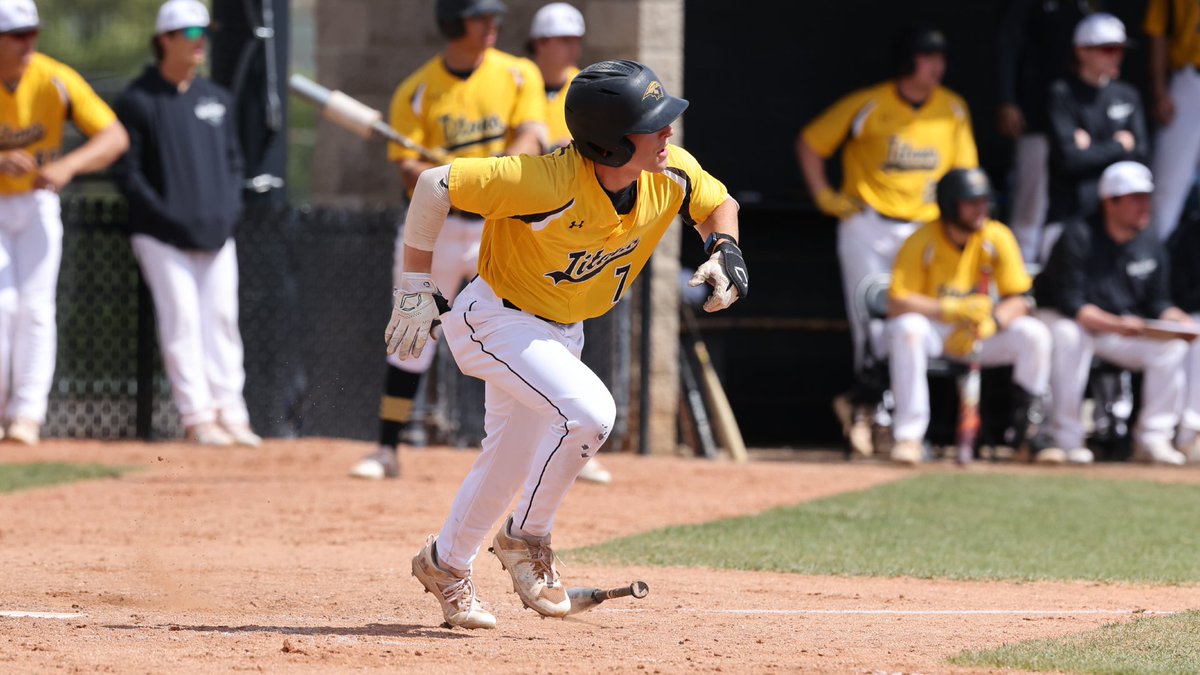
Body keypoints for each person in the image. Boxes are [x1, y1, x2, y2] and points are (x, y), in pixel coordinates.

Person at [390, 60, 747, 628]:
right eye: (653, 124)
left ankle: (446, 564)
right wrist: (413, 286)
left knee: (508, 463)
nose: (668, 133)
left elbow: (715, 203)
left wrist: (724, 247)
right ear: (609, 144)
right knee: (590, 415)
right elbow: (435, 185)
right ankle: (525, 539)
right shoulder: (545, 182)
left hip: (561, 332)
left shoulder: (667, 171)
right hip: (497, 320)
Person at [348, 0, 547, 480]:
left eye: (493, 18)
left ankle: (541, 446)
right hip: (433, 228)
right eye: (480, 18)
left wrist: (491, 181)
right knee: (412, 333)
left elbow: (532, 138)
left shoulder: (519, 74)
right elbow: (409, 172)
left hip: (498, 227)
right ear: (453, 23)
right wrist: (453, 181)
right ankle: (387, 449)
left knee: (518, 331)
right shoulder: (418, 89)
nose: (491, 27)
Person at [796, 25, 978, 456]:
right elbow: (810, 142)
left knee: (914, 325)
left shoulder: (952, 109)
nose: (938, 66)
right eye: (929, 57)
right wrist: (823, 194)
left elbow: (964, 176)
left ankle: (894, 421)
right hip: (869, 225)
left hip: (926, 229)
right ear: (908, 61)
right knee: (871, 325)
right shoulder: (870, 103)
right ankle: (874, 415)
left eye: (940, 58)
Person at [111, 0, 260, 447]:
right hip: (161, 236)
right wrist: (167, 218)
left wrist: (228, 211)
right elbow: (128, 173)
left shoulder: (217, 98)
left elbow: (235, 165)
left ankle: (231, 412)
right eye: (190, 34)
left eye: (204, 34)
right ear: (165, 40)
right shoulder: (138, 99)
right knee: (182, 322)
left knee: (221, 320)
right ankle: (197, 417)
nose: (200, 42)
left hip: (216, 234)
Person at [0, 0, 128, 445]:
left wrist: (69, 167)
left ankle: (27, 416)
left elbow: (114, 137)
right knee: (2, 306)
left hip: (37, 203)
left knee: (36, 309)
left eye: (33, 32)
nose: (28, 43)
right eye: (17, 35)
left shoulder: (54, 77)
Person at [886, 169, 1053, 465]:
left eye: (984, 201)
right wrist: (948, 310)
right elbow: (897, 301)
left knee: (1034, 334)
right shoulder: (922, 239)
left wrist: (994, 323)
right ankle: (909, 436)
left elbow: (1022, 298)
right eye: (971, 202)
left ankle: (1028, 434)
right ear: (950, 204)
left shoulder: (996, 236)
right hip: (937, 330)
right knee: (906, 328)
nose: (980, 209)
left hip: (981, 333)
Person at [1034, 161, 1191, 465]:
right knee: (1071, 335)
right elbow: (1071, 303)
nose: (1145, 206)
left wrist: (1176, 319)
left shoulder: (1149, 240)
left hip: (1118, 330)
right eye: (1136, 198)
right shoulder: (1077, 235)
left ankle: (1153, 439)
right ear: (1110, 202)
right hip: (1067, 321)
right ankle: (1066, 438)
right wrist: (1116, 324)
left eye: (1146, 197)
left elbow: (1158, 301)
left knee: (1172, 345)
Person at [524, 2, 612, 485]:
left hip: (570, 225)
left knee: (565, 324)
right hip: (515, 218)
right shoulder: (518, 81)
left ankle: (576, 439)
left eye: (574, 40)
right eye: (560, 40)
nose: (569, 48)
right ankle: (391, 444)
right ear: (539, 43)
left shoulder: (588, 87)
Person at [1042, 13, 1147, 261]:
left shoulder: (1127, 94)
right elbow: (1069, 160)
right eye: (1108, 49)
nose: (1117, 56)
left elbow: (1141, 156)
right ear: (1082, 51)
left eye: (1120, 49)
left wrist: (1091, 148)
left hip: (1117, 225)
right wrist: (1119, 146)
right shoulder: (1062, 94)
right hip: (1071, 217)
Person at [995, 0, 1091, 262]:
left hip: (1077, 112)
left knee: (1071, 201)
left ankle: (1058, 271)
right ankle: (1020, 272)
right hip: (1036, 111)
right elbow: (1009, 43)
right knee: (1031, 200)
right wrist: (1008, 99)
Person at [1144, 0, 1200, 242]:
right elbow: (1158, 30)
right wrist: (1159, 90)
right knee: (1168, 186)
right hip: (1190, 78)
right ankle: (1154, 262)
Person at [527, 2, 584, 151]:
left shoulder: (584, 85)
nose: (574, 48)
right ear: (539, 43)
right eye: (565, 40)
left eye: (577, 40)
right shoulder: (518, 79)